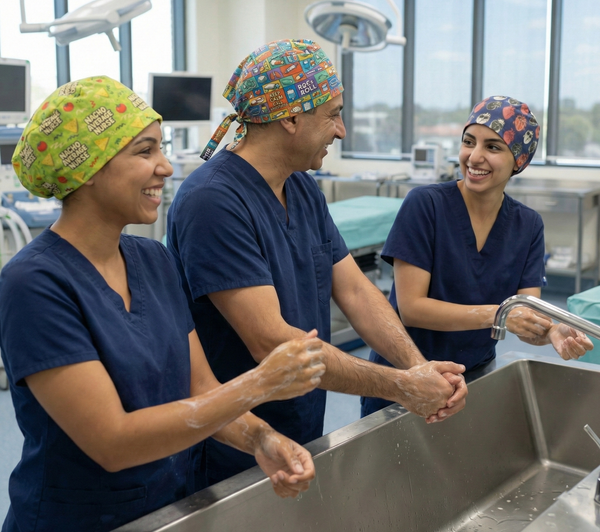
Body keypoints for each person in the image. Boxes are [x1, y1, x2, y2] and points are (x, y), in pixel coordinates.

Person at [0, 76, 328, 532]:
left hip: (171, 509)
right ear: (89, 169)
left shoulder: (152, 260)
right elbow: (111, 441)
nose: (167, 167)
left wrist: (262, 439)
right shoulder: (34, 284)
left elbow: (200, 387)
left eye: (162, 149)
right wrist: (260, 382)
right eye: (145, 151)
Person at [167, 38, 468, 490]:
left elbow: (355, 290)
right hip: (236, 439)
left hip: (300, 420)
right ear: (289, 117)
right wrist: (402, 388)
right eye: (332, 114)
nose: (342, 130)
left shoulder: (302, 188)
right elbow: (272, 342)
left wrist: (416, 368)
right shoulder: (213, 201)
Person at [361, 96, 594, 417]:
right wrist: (499, 314)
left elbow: (525, 313)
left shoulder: (527, 225)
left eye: (493, 147)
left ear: (518, 160)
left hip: (473, 379)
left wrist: (552, 330)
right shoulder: (425, 205)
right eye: (468, 142)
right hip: (406, 376)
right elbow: (412, 308)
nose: (475, 156)